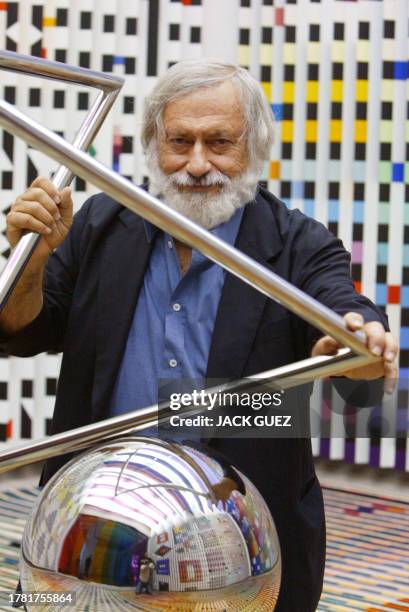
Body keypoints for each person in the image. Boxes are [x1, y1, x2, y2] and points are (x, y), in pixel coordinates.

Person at [0, 59, 398, 611]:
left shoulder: (297, 244)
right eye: (179, 141)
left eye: (220, 143)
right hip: (94, 524)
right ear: (153, 145)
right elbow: (21, 331)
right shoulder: (97, 225)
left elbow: (348, 327)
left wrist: (355, 346)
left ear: (254, 150)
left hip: (238, 542)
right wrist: (32, 262)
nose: (196, 164)